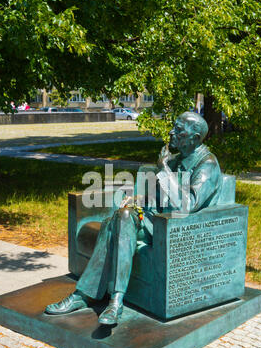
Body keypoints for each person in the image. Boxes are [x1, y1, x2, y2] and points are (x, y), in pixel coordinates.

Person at [45, 112, 223, 325]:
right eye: (173, 127)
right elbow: (159, 197)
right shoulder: (177, 160)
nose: (171, 132)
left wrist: (163, 168)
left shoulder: (207, 166)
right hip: (155, 221)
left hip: (178, 231)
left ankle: (85, 296)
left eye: (178, 130)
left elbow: (186, 206)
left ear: (194, 138)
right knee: (123, 216)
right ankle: (115, 301)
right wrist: (137, 199)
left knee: (114, 225)